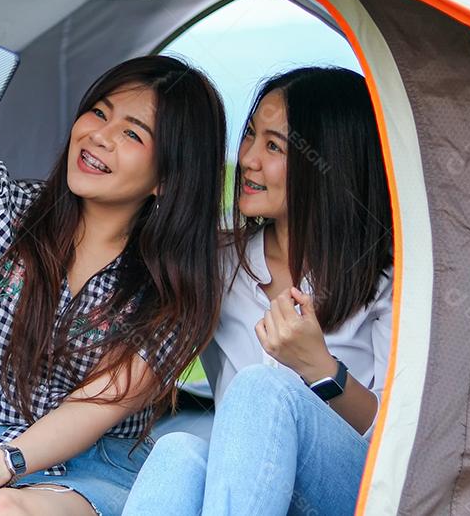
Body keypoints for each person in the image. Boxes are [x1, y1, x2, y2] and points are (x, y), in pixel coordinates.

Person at [0, 55, 227, 516]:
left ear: (168, 176)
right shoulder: (5, 207)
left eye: (132, 133)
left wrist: (2, 465)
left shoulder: (174, 285)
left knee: (6, 510)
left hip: (97, 468)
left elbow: (95, 406)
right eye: (99, 112)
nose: (99, 136)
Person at [123, 67, 394, 515]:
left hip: (353, 492)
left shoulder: (385, 280)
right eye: (250, 135)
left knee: (263, 389)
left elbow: (404, 440)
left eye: (273, 146)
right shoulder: (216, 262)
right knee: (177, 454)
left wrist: (321, 368)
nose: (247, 158)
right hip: (250, 490)